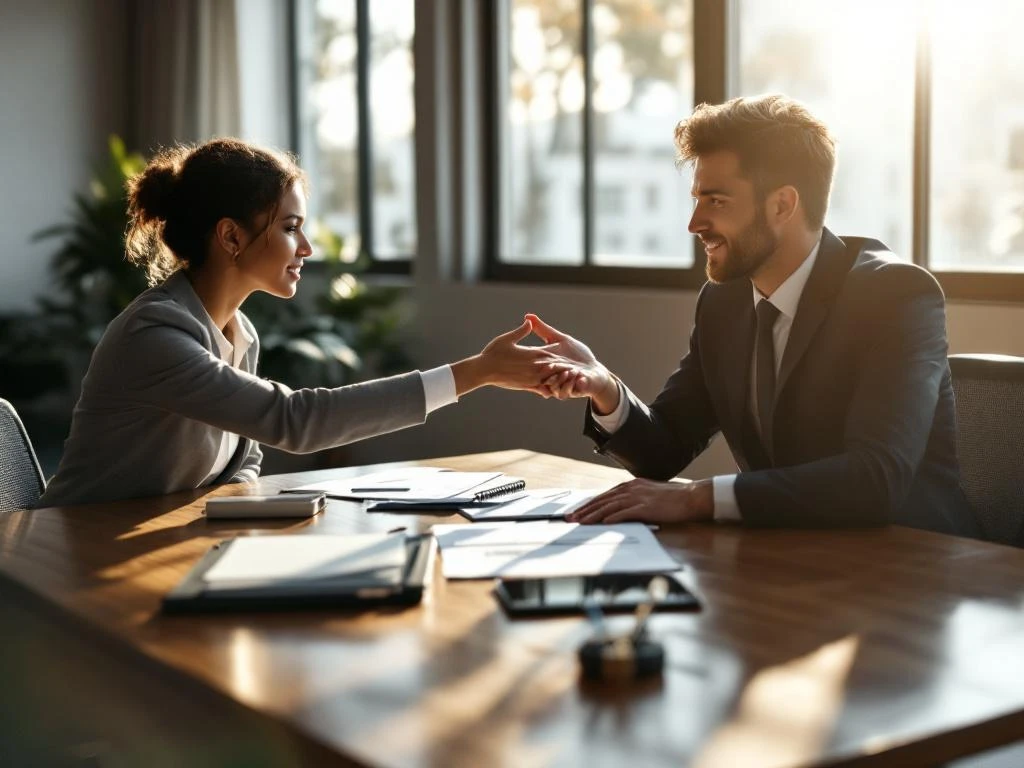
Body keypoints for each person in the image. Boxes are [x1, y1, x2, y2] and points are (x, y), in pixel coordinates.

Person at [529, 94, 979, 537]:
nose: (694, 223)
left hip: (913, 564)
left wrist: (699, 497)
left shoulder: (895, 295)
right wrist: (605, 388)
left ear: (782, 205)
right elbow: (664, 451)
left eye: (716, 201)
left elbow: (875, 478)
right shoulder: (723, 304)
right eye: (696, 200)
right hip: (792, 556)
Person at [39, 138, 567, 506]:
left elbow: (241, 464)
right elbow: (294, 421)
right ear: (230, 237)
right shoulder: (155, 337)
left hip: (135, 546)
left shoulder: (239, 334)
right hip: (61, 551)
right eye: (291, 228)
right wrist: (474, 373)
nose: (307, 248)